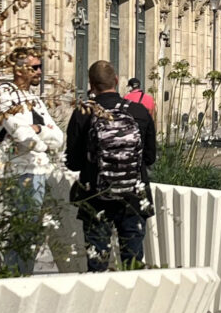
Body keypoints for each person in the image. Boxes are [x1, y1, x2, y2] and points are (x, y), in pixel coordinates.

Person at [66, 59, 157, 272]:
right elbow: (150, 157)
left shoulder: (83, 113)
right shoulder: (139, 112)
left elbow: (73, 162)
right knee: (133, 260)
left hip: (96, 196)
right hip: (133, 197)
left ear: (91, 84)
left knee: (97, 262)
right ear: (116, 80)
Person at [0, 48, 65, 275]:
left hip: (39, 169)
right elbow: (21, 134)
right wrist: (42, 141)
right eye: (34, 68)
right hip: (19, 171)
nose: (39, 72)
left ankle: (23, 275)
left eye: (40, 67)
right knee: (22, 230)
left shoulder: (34, 99)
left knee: (32, 231)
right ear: (19, 69)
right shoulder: (5, 94)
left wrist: (39, 129)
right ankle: (13, 277)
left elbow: (59, 137)